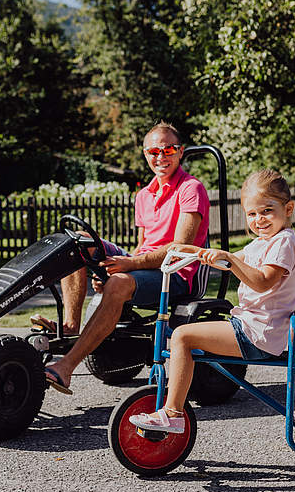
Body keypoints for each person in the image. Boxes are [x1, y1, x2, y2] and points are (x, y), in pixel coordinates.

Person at [38, 122, 210, 395]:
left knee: (118, 283)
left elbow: (180, 247)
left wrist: (127, 269)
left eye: (168, 149)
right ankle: (71, 327)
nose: (161, 156)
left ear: (180, 152)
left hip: (177, 273)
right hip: (147, 266)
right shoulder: (143, 195)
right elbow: (143, 246)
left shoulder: (191, 189)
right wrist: (106, 272)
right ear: (145, 154)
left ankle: (66, 367)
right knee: (76, 244)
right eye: (154, 151)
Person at [130, 169, 295, 433]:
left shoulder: (283, 242)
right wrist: (196, 252)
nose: (259, 219)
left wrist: (231, 260)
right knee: (184, 337)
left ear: (288, 208)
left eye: (267, 210)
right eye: (252, 214)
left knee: (183, 337)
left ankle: (173, 413)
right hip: (252, 327)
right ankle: (175, 399)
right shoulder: (262, 242)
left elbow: (263, 281)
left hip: (258, 333)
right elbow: (227, 260)